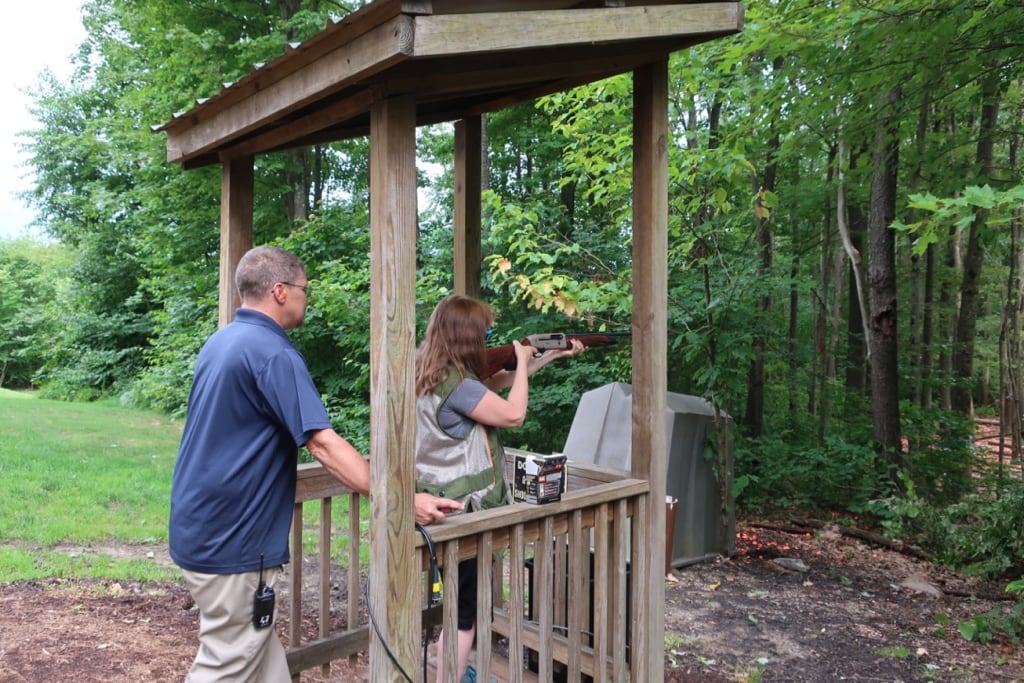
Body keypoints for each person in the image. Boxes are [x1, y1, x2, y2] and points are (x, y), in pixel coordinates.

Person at [169, 245, 462, 682]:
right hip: (233, 542)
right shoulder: (273, 354)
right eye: (305, 288)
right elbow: (321, 444)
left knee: (262, 662)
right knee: (225, 665)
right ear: (281, 291)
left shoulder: (223, 341)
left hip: (201, 527)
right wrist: (400, 499)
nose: (308, 297)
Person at [413, 294, 584, 683]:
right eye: (485, 331)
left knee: (456, 609)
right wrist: (522, 361)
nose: (489, 335)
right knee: (464, 616)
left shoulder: (434, 372)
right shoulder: (458, 383)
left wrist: (543, 359)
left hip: (441, 506)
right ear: (468, 335)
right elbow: (513, 413)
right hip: (465, 514)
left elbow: (497, 385)